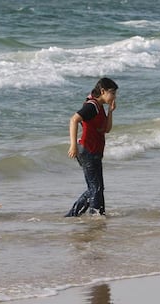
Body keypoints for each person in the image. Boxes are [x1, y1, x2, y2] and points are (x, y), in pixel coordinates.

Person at [65, 78, 118, 217]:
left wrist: (111, 112)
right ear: (102, 91)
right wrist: (73, 146)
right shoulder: (92, 106)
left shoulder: (99, 107)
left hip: (94, 151)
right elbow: (74, 120)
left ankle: (74, 215)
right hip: (87, 151)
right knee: (96, 188)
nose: (114, 97)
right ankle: (95, 218)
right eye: (112, 93)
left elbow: (106, 129)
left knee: (96, 188)